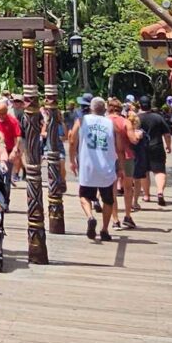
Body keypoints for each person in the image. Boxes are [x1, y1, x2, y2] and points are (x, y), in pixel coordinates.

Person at [70, 97, 118, 242]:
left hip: (87, 165)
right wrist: (119, 164)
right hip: (106, 167)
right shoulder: (110, 123)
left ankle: (90, 216)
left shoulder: (82, 121)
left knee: (84, 196)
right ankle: (104, 229)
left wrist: (72, 159)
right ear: (104, 109)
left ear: (91, 108)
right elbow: (118, 144)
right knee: (108, 200)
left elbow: (72, 139)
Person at [135, 96, 172, 207]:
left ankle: (146, 195)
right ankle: (160, 192)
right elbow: (167, 134)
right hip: (156, 145)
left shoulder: (136, 118)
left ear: (140, 105)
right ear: (150, 105)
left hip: (141, 147)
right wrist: (168, 146)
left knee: (144, 172)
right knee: (159, 171)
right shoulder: (158, 117)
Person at [106, 98, 138, 229]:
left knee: (112, 189)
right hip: (126, 156)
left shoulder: (105, 122)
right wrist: (138, 136)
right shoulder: (125, 122)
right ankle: (127, 216)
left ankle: (115, 219)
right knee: (128, 188)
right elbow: (133, 140)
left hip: (109, 157)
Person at [0, 98, 22, 179]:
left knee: (6, 175)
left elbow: (18, 136)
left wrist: (15, 150)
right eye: (0, 113)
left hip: (8, 151)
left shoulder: (13, 121)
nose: (2, 115)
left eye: (4, 113)